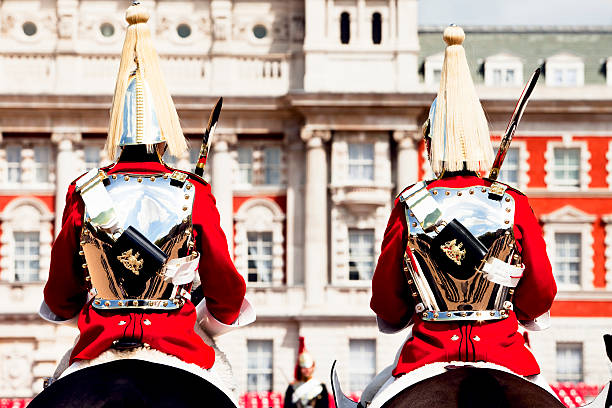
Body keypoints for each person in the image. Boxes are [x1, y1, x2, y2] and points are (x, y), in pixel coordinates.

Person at [34, 2, 253, 406]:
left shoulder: (84, 190)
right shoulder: (191, 190)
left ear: (118, 132)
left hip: (98, 343)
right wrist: (214, 314)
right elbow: (225, 288)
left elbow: (61, 295)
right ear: (164, 136)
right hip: (181, 343)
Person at [360, 25, 557, 406]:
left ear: (431, 143)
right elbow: (541, 292)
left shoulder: (411, 203)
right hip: (507, 353)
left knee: (367, 399)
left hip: (427, 354)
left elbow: (387, 302)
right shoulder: (512, 202)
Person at [284, 337, 329, 408]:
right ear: (300, 368)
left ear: (313, 367)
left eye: (309, 367)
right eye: (304, 367)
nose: (307, 370)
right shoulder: (292, 388)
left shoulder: (321, 386)